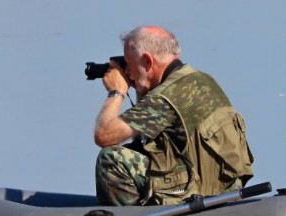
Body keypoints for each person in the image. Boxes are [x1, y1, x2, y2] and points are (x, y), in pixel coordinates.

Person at [93, 25, 254, 206]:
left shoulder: (167, 97)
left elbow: (105, 135)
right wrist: (141, 84)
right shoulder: (198, 79)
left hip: (196, 191)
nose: (128, 73)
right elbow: (149, 135)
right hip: (223, 187)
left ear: (148, 61)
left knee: (112, 159)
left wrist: (117, 91)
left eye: (129, 66)